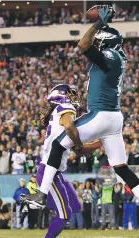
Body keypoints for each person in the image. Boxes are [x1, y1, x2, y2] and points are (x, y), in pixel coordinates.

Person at [23, 5, 139, 236]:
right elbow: (94, 46)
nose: (95, 42)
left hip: (101, 115)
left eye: (99, 39)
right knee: (121, 167)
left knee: (59, 144)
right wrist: (104, 26)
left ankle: (41, 193)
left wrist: (98, 23)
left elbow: (83, 45)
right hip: (114, 119)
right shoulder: (117, 56)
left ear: (104, 42)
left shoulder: (109, 55)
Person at [21, 84, 102, 237]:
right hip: (49, 172)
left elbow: (80, 150)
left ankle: (39, 200)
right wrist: (79, 142)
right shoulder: (66, 107)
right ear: (61, 95)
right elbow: (70, 127)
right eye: (70, 94)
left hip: (53, 172)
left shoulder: (58, 114)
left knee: (72, 209)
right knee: (64, 214)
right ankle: (39, 198)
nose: (74, 97)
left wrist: (100, 143)